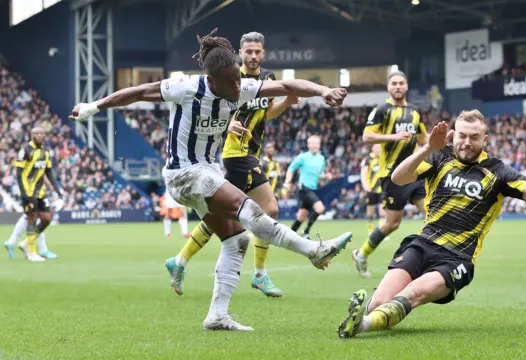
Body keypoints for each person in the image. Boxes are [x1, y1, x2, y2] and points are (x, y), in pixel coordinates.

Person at [69, 28, 352, 331]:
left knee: (236, 239)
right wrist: (94, 107)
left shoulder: (240, 88)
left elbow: (284, 84)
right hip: (184, 173)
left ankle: (217, 315)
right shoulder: (185, 87)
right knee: (251, 210)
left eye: (238, 78)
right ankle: (313, 251)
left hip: (208, 173)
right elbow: (138, 92)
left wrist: (323, 91)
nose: (238, 84)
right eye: (231, 80)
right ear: (212, 80)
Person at [336, 111, 526, 339]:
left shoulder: (498, 172)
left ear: (484, 139)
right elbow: (399, 176)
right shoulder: (438, 157)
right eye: (462, 135)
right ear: (453, 134)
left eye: (474, 137)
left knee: (412, 294)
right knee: (380, 303)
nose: (466, 142)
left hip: (456, 259)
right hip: (422, 244)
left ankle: (361, 324)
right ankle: (366, 314)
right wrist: (428, 147)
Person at [172, 32, 295, 298]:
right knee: (270, 208)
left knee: (222, 215)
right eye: (248, 51)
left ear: (263, 53)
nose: (252, 56)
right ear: (240, 53)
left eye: (257, 52)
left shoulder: (267, 78)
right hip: (234, 153)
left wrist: (286, 103)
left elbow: (265, 113)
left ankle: (180, 260)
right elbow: (211, 110)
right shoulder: (228, 77)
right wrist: (228, 125)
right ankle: (260, 274)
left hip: (251, 151)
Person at [352, 71, 427, 278]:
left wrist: (442, 144)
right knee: (393, 223)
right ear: (388, 87)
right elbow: (367, 137)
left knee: (431, 214)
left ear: (407, 86)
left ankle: (430, 260)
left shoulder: (415, 112)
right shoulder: (382, 110)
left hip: (414, 173)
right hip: (392, 175)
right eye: (394, 83)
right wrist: (394, 136)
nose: (397, 86)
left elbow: (424, 138)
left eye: (401, 83)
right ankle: (361, 254)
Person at [4, 127, 64, 262]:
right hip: (28, 191)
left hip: (40, 191)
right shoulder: (25, 150)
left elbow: (49, 171)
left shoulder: (45, 151)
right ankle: (31, 252)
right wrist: (24, 193)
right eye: (37, 133)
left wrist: (57, 188)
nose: (41, 135)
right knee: (32, 217)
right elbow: (19, 173)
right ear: (32, 135)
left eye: (42, 133)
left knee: (47, 219)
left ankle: (25, 243)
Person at [284, 135, 332, 239]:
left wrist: (326, 176)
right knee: (320, 208)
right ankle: (306, 232)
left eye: (317, 143)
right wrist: (288, 181)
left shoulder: (321, 158)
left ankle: (288, 235)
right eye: (313, 143)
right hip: (303, 188)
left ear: (319, 145)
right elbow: (291, 168)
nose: (315, 145)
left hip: (313, 188)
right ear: (308, 145)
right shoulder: (303, 157)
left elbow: (320, 175)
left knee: (301, 216)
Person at [360, 144, 384, 236]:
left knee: (383, 210)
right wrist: (365, 185)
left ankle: (381, 232)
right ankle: (370, 229)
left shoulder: (384, 157)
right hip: (371, 189)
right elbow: (363, 173)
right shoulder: (367, 159)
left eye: (379, 147)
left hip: (382, 189)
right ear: (372, 148)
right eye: (376, 147)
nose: (378, 149)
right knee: (371, 211)